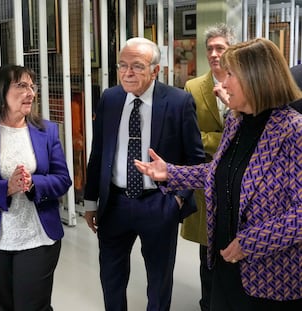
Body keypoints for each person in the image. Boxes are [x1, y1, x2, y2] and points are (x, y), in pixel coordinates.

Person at [134, 38, 302, 311]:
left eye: (230, 75)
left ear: (256, 78)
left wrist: (250, 243)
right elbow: (220, 172)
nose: (222, 84)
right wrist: (171, 173)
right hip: (224, 261)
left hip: (269, 275)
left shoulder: (293, 131)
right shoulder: (237, 121)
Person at [83, 37, 205, 311]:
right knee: (111, 277)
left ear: (155, 70)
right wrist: (91, 202)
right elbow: (99, 153)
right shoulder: (110, 99)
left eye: (137, 66)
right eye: (122, 66)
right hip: (114, 203)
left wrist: (178, 200)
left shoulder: (179, 102)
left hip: (159, 202)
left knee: (159, 280)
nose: (127, 73)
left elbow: (195, 160)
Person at [0, 65, 72, 311]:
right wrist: (5, 189)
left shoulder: (46, 131)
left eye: (32, 86)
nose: (30, 92)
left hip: (38, 237)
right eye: (21, 86)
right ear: (0, 92)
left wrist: (34, 183)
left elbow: (63, 179)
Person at [182, 23, 236, 311]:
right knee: (207, 255)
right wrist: (228, 139)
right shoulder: (193, 87)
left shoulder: (246, 82)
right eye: (210, 49)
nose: (214, 54)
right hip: (206, 182)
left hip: (240, 182)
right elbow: (191, 137)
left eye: (220, 48)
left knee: (235, 250)